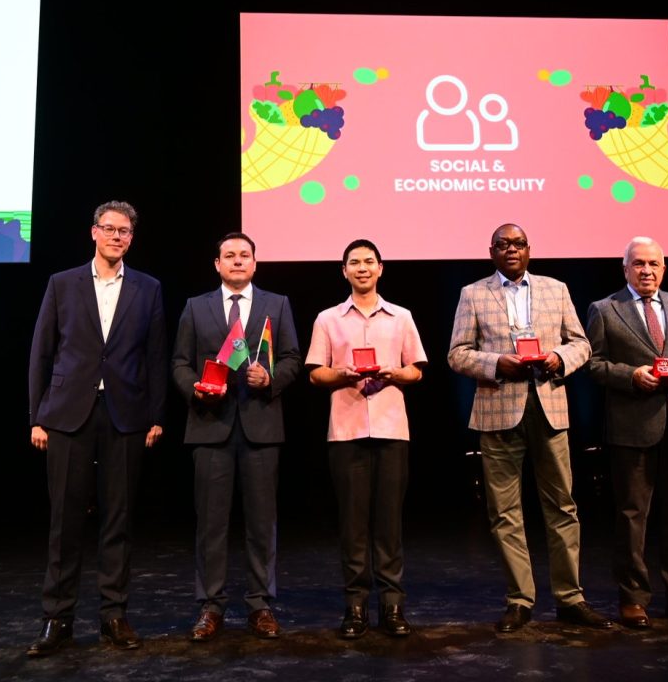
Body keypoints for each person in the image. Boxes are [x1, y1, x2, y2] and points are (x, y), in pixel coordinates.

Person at [447, 223, 612, 633]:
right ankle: (519, 600)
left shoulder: (556, 289)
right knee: (505, 512)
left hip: (549, 406)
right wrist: (495, 363)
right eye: (503, 244)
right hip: (498, 410)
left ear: (529, 249)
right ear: (491, 252)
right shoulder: (473, 293)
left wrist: (559, 358)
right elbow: (457, 354)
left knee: (562, 506)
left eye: (518, 243)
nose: (511, 250)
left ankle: (570, 598)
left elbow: (582, 344)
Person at [26, 200, 166, 656]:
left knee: (118, 519)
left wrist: (156, 415)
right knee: (64, 521)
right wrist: (38, 415)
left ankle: (113, 615)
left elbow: (155, 356)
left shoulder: (148, 288)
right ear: (93, 232)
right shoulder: (62, 283)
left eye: (124, 231)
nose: (116, 236)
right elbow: (42, 352)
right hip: (68, 413)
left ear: (131, 238)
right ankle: (57, 618)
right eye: (109, 228)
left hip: (125, 414)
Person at [172, 232, 301, 641]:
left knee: (261, 523)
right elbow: (179, 363)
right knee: (211, 524)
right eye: (230, 255)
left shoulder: (277, 304)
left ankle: (260, 604)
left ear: (255, 263)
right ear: (217, 264)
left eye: (245, 255)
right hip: (210, 425)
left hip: (261, 425)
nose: (238, 261)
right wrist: (196, 388)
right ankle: (211, 606)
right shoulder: (196, 307)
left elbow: (292, 358)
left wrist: (271, 379)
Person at [585, 237, 668, 629]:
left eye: (653, 264)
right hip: (632, 427)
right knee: (632, 516)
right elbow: (592, 363)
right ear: (625, 268)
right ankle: (633, 599)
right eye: (639, 264)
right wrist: (631, 376)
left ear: (664, 268)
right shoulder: (604, 309)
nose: (646, 270)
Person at [305, 239, 427, 639]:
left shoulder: (401, 316)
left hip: (392, 429)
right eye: (354, 262)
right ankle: (355, 607)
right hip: (347, 431)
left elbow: (416, 370)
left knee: (389, 523)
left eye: (368, 261)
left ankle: (392, 606)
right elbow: (316, 373)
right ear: (344, 270)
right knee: (353, 524)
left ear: (380, 268)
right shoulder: (328, 318)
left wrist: (394, 373)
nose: (362, 268)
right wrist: (343, 374)